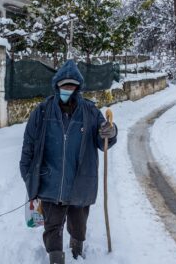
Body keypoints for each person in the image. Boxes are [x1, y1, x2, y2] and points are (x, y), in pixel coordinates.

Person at [19, 60, 117, 264]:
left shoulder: (90, 111)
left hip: (80, 180)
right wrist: (28, 175)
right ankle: (56, 257)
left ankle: (77, 248)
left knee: (78, 224)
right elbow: (28, 145)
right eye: (64, 86)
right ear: (57, 86)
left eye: (72, 86)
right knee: (52, 225)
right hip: (50, 182)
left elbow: (103, 141)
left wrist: (111, 131)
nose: (68, 90)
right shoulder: (43, 111)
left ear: (78, 87)